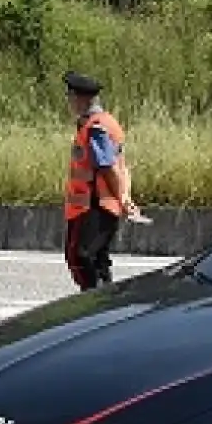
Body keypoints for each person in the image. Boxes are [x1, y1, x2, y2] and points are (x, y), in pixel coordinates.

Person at [60, 71, 142, 290]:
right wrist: (124, 196)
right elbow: (122, 166)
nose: (69, 101)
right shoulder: (103, 123)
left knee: (79, 255)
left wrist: (122, 197)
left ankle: (93, 298)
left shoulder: (96, 127)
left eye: (71, 96)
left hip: (92, 206)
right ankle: (104, 299)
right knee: (97, 259)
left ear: (83, 98)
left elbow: (107, 166)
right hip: (100, 205)